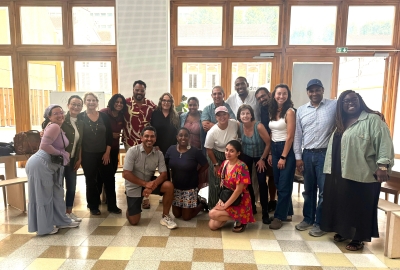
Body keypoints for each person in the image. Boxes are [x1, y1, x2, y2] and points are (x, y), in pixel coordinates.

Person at [321, 90, 394, 251]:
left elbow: (384, 143)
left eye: (353, 100)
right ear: (341, 105)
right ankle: (344, 231)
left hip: (363, 172)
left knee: (361, 205)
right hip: (340, 171)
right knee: (344, 203)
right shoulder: (342, 121)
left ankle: (358, 237)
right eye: (345, 101)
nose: (350, 103)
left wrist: (383, 166)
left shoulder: (372, 120)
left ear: (360, 101)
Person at [26, 104, 79, 235]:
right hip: (41, 164)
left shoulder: (56, 127)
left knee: (57, 193)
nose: (60, 115)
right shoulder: (54, 126)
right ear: (49, 116)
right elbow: (44, 146)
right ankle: (45, 227)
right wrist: (62, 153)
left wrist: (61, 153)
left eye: (61, 112)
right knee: (44, 196)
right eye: (55, 113)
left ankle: (61, 220)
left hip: (50, 165)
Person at [293, 79, 337, 237]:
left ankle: (321, 223)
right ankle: (308, 219)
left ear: (323, 90)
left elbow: (351, 105)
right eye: (311, 91)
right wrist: (298, 157)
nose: (314, 93)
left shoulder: (334, 105)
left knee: (324, 191)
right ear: (307, 93)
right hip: (308, 154)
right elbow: (298, 135)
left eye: (317, 90)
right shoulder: (302, 110)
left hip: (325, 153)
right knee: (308, 189)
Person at [122, 126, 178, 229]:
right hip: (134, 185)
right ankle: (131, 209)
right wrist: (145, 184)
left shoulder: (158, 153)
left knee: (168, 185)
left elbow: (164, 174)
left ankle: (165, 216)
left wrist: (151, 186)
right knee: (134, 221)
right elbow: (126, 174)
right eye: (146, 136)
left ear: (155, 139)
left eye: (152, 136)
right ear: (141, 138)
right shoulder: (132, 151)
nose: (149, 139)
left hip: (150, 183)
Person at [80, 92, 121, 215]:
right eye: (88, 100)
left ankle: (112, 205)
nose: (91, 102)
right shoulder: (81, 117)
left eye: (93, 100)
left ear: (97, 102)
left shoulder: (104, 116)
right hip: (88, 155)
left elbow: (109, 136)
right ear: (85, 102)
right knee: (91, 181)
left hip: (104, 154)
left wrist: (107, 152)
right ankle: (93, 206)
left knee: (109, 179)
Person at [208, 140, 255, 233]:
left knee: (212, 213)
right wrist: (221, 201)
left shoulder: (242, 166)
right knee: (212, 225)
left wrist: (224, 206)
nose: (227, 153)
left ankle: (242, 218)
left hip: (240, 201)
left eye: (231, 151)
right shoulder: (225, 163)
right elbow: (223, 185)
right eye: (226, 150)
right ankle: (234, 216)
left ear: (238, 153)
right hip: (227, 197)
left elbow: (238, 190)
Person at [268, 84, 296, 230]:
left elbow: (290, 136)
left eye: (284, 94)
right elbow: (272, 132)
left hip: (286, 150)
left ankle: (279, 217)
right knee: (279, 183)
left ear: (288, 96)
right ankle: (288, 211)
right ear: (274, 95)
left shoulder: (289, 112)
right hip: (275, 148)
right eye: (279, 93)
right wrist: (272, 153)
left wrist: (283, 157)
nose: (281, 96)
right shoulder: (273, 111)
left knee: (284, 185)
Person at [165, 127, 209, 220]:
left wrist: (197, 172)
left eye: (186, 135)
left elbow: (206, 164)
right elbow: (165, 163)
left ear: (189, 137)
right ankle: (188, 205)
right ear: (177, 137)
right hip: (176, 187)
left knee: (186, 217)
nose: (183, 138)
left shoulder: (195, 151)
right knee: (177, 215)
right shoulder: (171, 149)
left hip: (190, 188)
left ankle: (202, 204)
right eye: (180, 135)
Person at [237, 104, 271, 224]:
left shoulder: (259, 126)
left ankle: (265, 212)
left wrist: (263, 159)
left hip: (260, 155)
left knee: (262, 182)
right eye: (242, 113)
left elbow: (268, 143)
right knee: (247, 182)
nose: (245, 116)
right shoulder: (239, 126)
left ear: (251, 114)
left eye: (247, 113)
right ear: (239, 116)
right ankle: (252, 207)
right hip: (246, 154)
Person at [204, 106, 238, 209]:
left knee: (231, 180)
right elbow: (208, 149)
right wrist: (216, 165)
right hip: (215, 155)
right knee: (216, 181)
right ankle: (213, 207)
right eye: (219, 115)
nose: (222, 117)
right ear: (216, 117)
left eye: (224, 114)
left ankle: (230, 206)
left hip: (230, 155)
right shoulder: (212, 132)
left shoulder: (234, 124)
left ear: (228, 115)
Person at [62, 95, 84, 222]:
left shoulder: (80, 123)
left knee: (71, 187)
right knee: (59, 188)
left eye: (78, 105)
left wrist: (79, 159)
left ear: (81, 107)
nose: (76, 107)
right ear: (68, 105)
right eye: (73, 104)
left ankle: (69, 212)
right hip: (60, 161)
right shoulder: (61, 120)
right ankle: (60, 214)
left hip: (73, 161)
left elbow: (80, 143)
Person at [255, 87, 277, 213]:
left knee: (277, 177)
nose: (262, 99)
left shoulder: (278, 107)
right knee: (270, 175)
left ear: (269, 94)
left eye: (263, 96)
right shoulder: (262, 109)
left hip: (278, 145)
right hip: (266, 145)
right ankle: (271, 200)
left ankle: (278, 203)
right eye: (259, 98)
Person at [100, 94, 128, 184]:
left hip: (115, 147)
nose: (119, 104)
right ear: (112, 102)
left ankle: (107, 194)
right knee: (103, 173)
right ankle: (103, 195)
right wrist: (110, 135)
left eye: (121, 102)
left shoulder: (122, 115)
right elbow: (97, 130)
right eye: (117, 102)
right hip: (103, 148)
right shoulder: (103, 113)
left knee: (112, 171)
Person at [123, 80, 157, 149]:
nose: (139, 92)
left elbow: (159, 116)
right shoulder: (125, 103)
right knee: (131, 160)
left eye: (142, 91)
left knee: (146, 160)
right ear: (133, 90)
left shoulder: (150, 104)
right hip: (130, 141)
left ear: (145, 91)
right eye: (137, 90)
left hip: (146, 142)